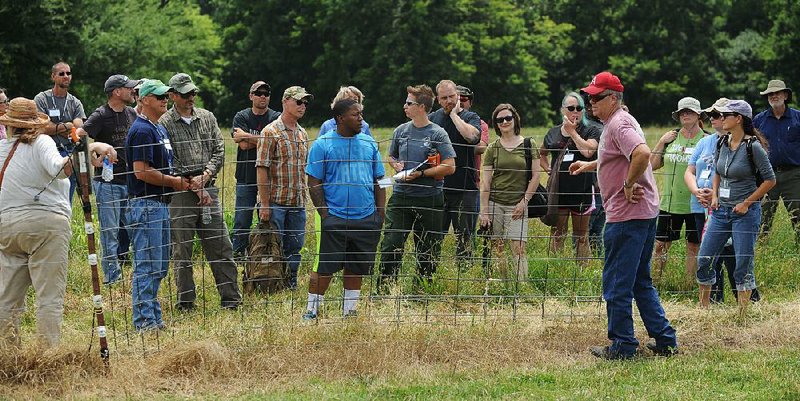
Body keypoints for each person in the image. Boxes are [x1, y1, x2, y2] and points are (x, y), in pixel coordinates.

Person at [570, 71, 677, 359]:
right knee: (640, 281)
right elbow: (618, 159)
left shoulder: (620, 123)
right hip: (640, 214)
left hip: (626, 216)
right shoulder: (614, 124)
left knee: (617, 283)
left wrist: (629, 185)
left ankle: (623, 345)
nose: (591, 102)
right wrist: (588, 165)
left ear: (614, 98)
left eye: (597, 97)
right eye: (589, 97)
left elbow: (641, 154)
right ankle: (665, 340)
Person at [160, 73, 242, 311]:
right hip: (180, 192)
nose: (190, 98)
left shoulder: (207, 117)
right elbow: (168, 160)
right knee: (182, 249)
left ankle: (231, 299)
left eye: (193, 93)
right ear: (172, 95)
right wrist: (191, 184)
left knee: (221, 245)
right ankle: (186, 302)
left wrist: (204, 176)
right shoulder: (164, 123)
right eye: (185, 94)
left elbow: (219, 148)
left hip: (209, 189)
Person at [302, 99, 386, 320]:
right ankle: (312, 311)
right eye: (355, 114)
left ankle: (349, 311)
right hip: (335, 217)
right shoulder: (322, 144)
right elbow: (314, 182)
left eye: (361, 114)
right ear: (340, 118)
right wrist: (325, 215)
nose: (361, 119)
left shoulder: (369, 143)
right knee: (325, 267)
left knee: (356, 266)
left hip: (366, 217)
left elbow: (379, 181)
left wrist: (379, 214)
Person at [0, 97, 73, 347]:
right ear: (35, 122)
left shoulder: (1, 148)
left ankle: (8, 357)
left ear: (9, 124)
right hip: (47, 225)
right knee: (49, 296)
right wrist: (80, 157)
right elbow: (59, 168)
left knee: (6, 299)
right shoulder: (43, 142)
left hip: (6, 226)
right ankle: (46, 356)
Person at [696, 100, 775, 313]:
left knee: (742, 262)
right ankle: (703, 309)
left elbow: (770, 180)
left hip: (745, 214)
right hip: (720, 212)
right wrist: (714, 195)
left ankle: (743, 312)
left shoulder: (753, 147)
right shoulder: (722, 142)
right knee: (704, 258)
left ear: (738, 118)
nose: (721, 119)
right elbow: (718, 171)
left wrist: (747, 203)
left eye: (725, 115)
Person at [125, 79, 191, 331]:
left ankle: (154, 318)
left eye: (166, 95)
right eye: (160, 96)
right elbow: (141, 172)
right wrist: (175, 182)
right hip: (146, 204)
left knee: (160, 263)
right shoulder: (142, 130)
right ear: (144, 100)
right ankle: (144, 322)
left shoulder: (158, 128)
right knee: (148, 263)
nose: (165, 99)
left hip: (160, 203)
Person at [378, 84, 456, 289]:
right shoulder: (400, 131)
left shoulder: (438, 134)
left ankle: (421, 291)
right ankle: (386, 289)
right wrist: (396, 164)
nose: (404, 106)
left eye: (409, 103)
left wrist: (421, 174)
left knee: (427, 248)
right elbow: (391, 156)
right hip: (401, 196)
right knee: (391, 244)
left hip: (429, 197)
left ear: (421, 107)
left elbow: (449, 166)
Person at [685, 98, 760, 303]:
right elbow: (692, 171)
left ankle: (746, 304)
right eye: (712, 115)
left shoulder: (749, 145)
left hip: (736, 209)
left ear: (736, 118)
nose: (714, 119)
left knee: (737, 259)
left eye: (719, 115)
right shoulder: (710, 142)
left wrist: (742, 201)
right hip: (707, 208)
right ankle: (713, 303)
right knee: (709, 257)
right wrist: (700, 192)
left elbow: (765, 179)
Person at [75, 74, 139, 285]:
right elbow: (79, 134)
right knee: (110, 234)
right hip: (107, 184)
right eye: (128, 88)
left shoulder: (131, 113)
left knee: (135, 229)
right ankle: (113, 278)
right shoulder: (101, 114)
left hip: (130, 182)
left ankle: (138, 274)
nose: (132, 91)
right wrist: (92, 157)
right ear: (116, 92)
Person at [256, 86, 314, 289]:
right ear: (285, 102)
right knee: (272, 246)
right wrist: (264, 204)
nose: (302, 106)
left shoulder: (302, 133)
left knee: (295, 246)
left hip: (297, 202)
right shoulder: (270, 131)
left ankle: (291, 282)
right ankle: (272, 283)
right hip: (275, 202)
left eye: (305, 103)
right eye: (299, 102)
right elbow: (261, 168)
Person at [479, 104, 540, 281]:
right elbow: (486, 181)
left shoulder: (529, 144)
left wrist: (524, 201)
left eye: (508, 118)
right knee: (497, 246)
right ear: (496, 124)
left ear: (515, 119)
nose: (504, 122)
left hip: (518, 204)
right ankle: (504, 283)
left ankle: (521, 286)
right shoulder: (492, 148)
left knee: (519, 247)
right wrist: (484, 211)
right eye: (500, 120)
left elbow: (536, 176)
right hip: (495, 203)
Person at [650, 97, 708, 283]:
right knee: (660, 245)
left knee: (693, 245)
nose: (685, 115)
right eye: (682, 112)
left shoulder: (707, 139)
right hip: (669, 202)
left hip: (696, 203)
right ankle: (656, 282)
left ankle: (689, 283)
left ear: (698, 115)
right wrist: (660, 142)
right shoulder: (671, 138)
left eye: (689, 111)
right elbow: (651, 165)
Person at [539, 92, 601, 263]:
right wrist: (549, 169)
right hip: (559, 192)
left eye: (579, 108)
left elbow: (588, 151)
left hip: (582, 190)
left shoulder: (591, 130)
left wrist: (572, 132)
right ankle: (554, 268)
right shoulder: (552, 132)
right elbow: (541, 154)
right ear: (562, 110)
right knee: (558, 233)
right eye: (571, 108)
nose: (576, 112)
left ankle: (582, 271)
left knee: (581, 235)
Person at [428, 80, 481, 270]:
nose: (449, 100)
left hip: (465, 188)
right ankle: (431, 271)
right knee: (434, 235)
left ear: (457, 96)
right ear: (438, 99)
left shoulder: (470, 116)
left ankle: (464, 275)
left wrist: (454, 116)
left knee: (465, 237)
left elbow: (472, 137)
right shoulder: (432, 118)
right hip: (438, 188)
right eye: (444, 98)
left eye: (452, 96)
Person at [230, 81, 281, 258]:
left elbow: (276, 142)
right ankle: (237, 258)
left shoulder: (276, 117)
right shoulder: (241, 116)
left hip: (269, 180)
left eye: (266, 93)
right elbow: (242, 145)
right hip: (245, 178)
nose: (262, 96)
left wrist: (246, 136)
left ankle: (263, 258)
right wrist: (263, 139)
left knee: (266, 222)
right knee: (241, 222)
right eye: (258, 93)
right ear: (251, 96)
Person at [753, 80, 800, 243]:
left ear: (785, 95)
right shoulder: (759, 120)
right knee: (763, 216)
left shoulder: (797, 118)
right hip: (766, 175)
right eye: (770, 94)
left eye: (777, 93)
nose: (773, 96)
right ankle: (760, 251)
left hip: (793, 175)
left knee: (798, 216)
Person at [34, 62, 86, 203]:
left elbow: (79, 129)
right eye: (61, 73)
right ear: (53, 76)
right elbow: (42, 128)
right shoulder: (42, 99)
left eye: (68, 73)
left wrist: (56, 127)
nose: (66, 76)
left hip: (69, 152)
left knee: (66, 199)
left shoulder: (75, 102)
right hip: (47, 152)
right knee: (47, 196)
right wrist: (67, 125)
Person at [457, 85, 489, 211]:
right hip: (445, 181)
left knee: (467, 227)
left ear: (470, 102)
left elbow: (481, 147)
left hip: (470, 181)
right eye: (457, 99)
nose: (460, 103)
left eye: (463, 99)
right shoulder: (441, 121)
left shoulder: (481, 124)